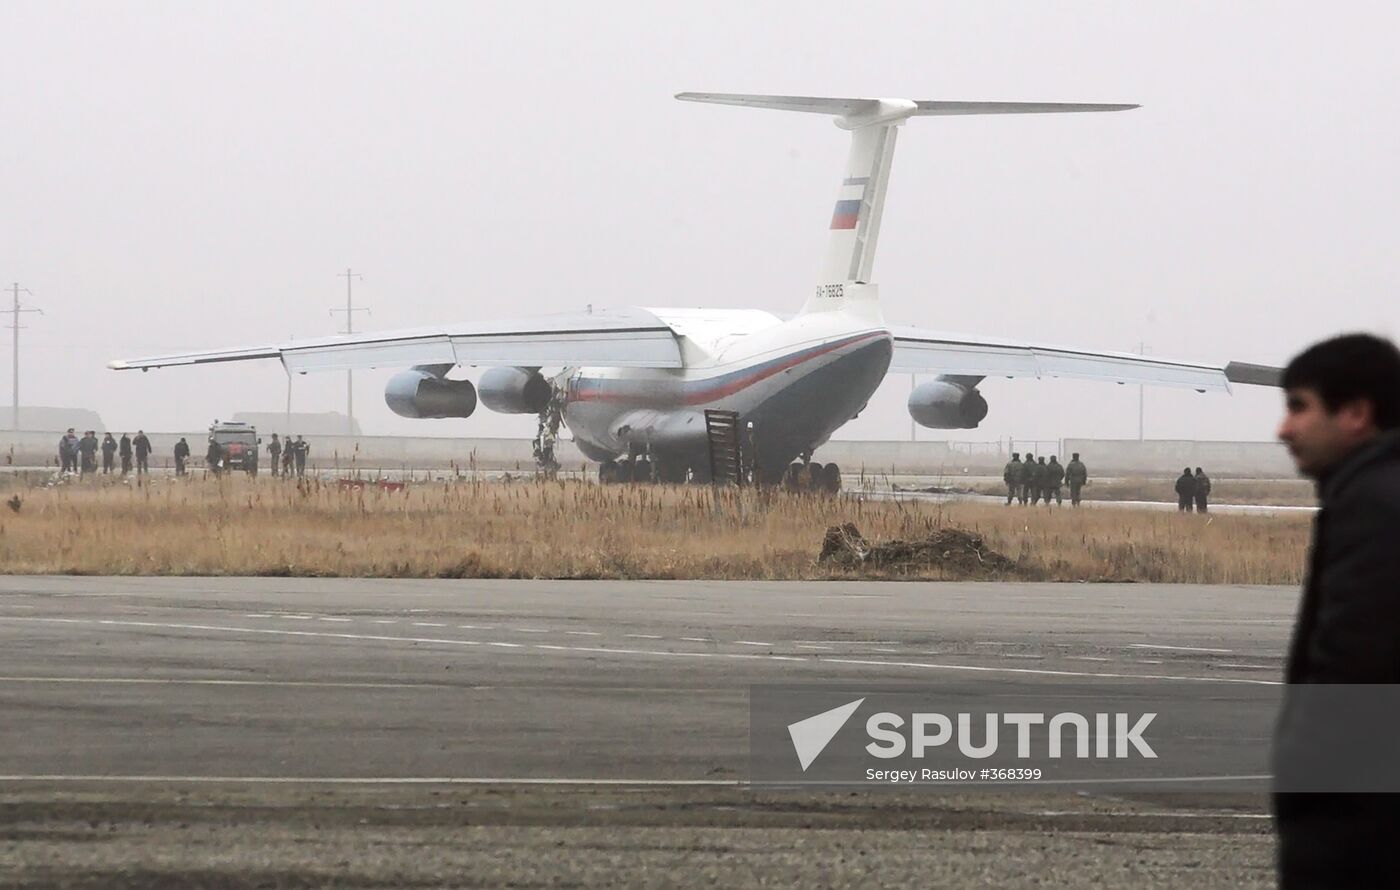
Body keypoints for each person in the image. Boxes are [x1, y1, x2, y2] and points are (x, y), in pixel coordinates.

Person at [1271, 333, 1400, 887]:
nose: (1283, 428)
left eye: (1299, 407)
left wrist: (1312, 810)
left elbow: (1356, 668)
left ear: (1355, 414)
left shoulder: (1375, 506)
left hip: (1361, 830)